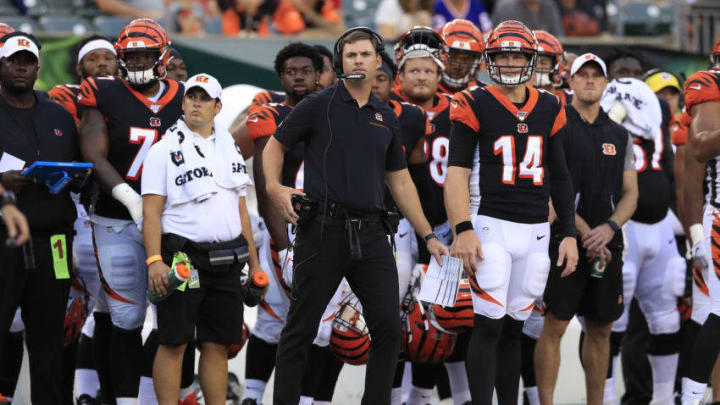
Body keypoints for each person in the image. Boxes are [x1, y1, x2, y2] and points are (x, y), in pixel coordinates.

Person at [264, 27, 449, 405]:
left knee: (388, 330)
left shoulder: (386, 115)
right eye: (351, 55)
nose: (358, 61)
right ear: (340, 62)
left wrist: (428, 235)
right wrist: (273, 187)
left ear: (378, 61)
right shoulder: (319, 103)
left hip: (371, 233)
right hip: (322, 230)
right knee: (300, 330)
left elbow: (400, 181)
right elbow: (274, 146)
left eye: (365, 55)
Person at [445, 20, 578, 405]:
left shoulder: (551, 104)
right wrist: (462, 228)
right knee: (487, 327)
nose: (508, 61)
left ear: (530, 58)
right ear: (489, 59)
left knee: (514, 330)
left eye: (516, 54)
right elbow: (457, 173)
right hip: (491, 226)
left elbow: (562, 175)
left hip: (536, 231)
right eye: (502, 54)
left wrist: (567, 232)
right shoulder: (473, 101)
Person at [78, 18, 185, 405]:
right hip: (117, 220)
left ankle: (162, 397)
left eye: (146, 54)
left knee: (175, 318)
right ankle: (121, 400)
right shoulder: (102, 92)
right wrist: (130, 197)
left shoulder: (186, 95)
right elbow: (92, 152)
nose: (139, 61)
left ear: (163, 56)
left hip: (173, 223)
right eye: (132, 54)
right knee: (126, 319)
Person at [141, 72, 257, 405]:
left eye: (204, 98)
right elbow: (151, 212)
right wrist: (154, 260)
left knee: (218, 344)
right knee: (174, 341)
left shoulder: (231, 148)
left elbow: (241, 211)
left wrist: (255, 260)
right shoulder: (162, 150)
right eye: (191, 96)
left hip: (227, 259)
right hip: (182, 259)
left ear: (218, 106)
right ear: (183, 102)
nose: (196, 102)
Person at [533, 53, 638, 405]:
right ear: (571, 81)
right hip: (564, 239)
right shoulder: (556, 124)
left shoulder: (620, 134)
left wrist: (608, 228)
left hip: (607, 244)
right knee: (556, 326)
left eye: (597, 75)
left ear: (606, 83)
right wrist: (579, 229)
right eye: (583, 75)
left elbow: (630, 194)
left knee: (601, 327)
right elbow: (547, 184)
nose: (590, 80)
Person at [390, 26, 472, 405]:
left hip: (444, 224)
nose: (421, 76)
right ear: (399, 73)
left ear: (439, 75)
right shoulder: (384, 107)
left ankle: (422, 397)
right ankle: (391, 395)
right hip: (397, 224)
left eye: (428, 70)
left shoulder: (461, 109)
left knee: (443, 315)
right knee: (392, 312)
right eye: (414, 69)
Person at [0, 32, 83, 404]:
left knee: (50, 339)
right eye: (13, 60)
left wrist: (76, 175)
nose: (21, 66)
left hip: (54, 240)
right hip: (4, 237)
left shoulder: (58, 114)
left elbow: (79, 167)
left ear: (38, 67)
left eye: (28, 61)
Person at [243, 41, 325, 405]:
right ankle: (251, 396)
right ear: (280, 76)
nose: (298, 77)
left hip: (327, 227)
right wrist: (280, 244)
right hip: (283, 226)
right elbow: (262, 183)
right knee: (273, 319)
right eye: (291, 71)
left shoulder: (334, 112)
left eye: (305, 70)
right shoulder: (268, 113)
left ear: (318, 74)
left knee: (321, 326)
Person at [48, 34, 118, 405]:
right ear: (80, 68)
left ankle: (104, 394)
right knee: (69, 310)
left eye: (110, 59)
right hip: (73, 214)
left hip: (114, 216)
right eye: (95, 59)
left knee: (111, 312)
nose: (103, 65)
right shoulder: (66, 95)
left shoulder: (128, 99)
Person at [680, 41, 720, 405]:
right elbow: (701, 146)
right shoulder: (710, 85)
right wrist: (694, 230)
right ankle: (689, 398)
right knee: (719, 314)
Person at [436, 19, 485, 94]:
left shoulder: (484, 94)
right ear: (439, 55)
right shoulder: (426, 91)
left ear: (476, 61)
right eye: (452, 56)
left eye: (466, 59)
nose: (458, 65)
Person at [491, 0, 563, 36]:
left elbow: (558, 37)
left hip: (544, 54)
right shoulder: (506, 7)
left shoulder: (549, 6)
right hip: (513, 54)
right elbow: (498, 39)